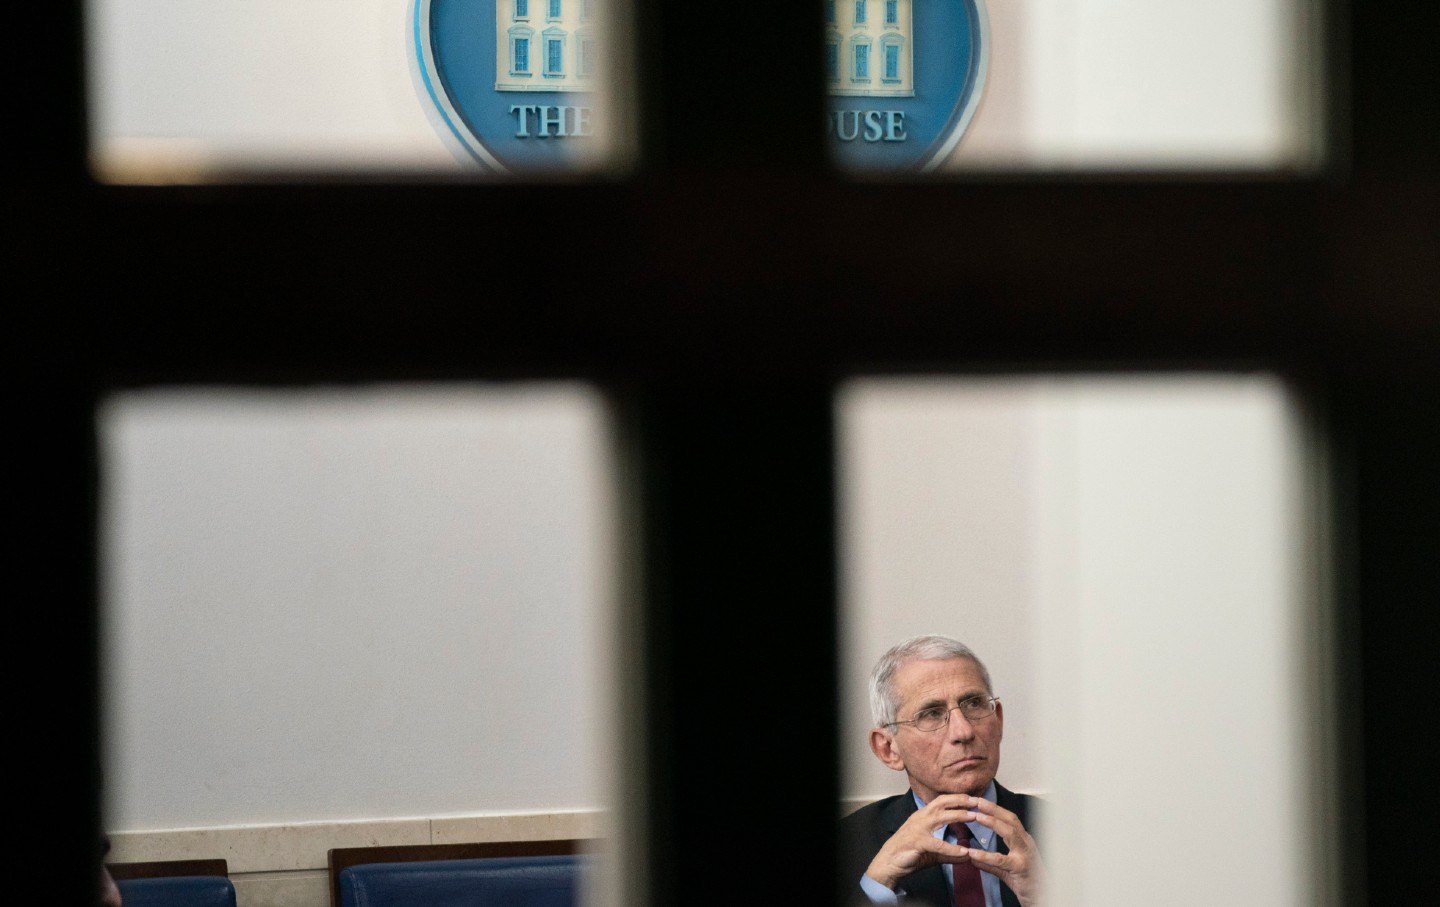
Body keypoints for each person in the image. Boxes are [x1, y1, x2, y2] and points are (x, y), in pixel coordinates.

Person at [839, 635, 1043, 907]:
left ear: (998, 720)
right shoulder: (848, 845)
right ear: (888, 748)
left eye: (974, 704)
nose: (964, 731)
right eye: (931, 714)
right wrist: (877, 886)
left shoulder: (1065, 830)